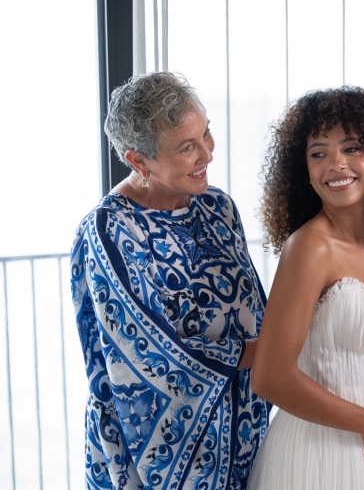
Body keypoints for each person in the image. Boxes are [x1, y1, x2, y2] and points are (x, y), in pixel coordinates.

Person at [70, 72, 269, 489]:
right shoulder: (110, 230)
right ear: (138, 161)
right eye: (187, 148)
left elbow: (255, 309)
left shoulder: (218, 209)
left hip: (243, 442)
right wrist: (265, 353)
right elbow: (152, 356)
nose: (207, 155)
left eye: (206, 135)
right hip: (152, 461)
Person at [247, 86, 364, 489]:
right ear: (304, 170)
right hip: (318, 457)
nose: (335, 163)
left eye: (351, 148)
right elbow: (270, 376)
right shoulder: (309, 248)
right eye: (318, 153)